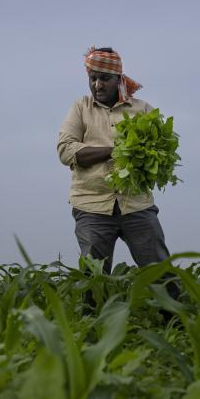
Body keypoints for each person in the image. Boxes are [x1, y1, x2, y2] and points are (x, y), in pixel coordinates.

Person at [56, 47, 177, 293]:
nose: (98, 85)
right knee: (94, 278)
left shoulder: (142, 110)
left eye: (104, 78)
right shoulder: (81, 108)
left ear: (118, 78)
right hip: (92, 206)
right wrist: (115, 150)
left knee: (160, 271)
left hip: (137, 205)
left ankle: (176, 323)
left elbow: (160, 151)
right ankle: (92, 328)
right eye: (93, 79)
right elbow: (66, 150)